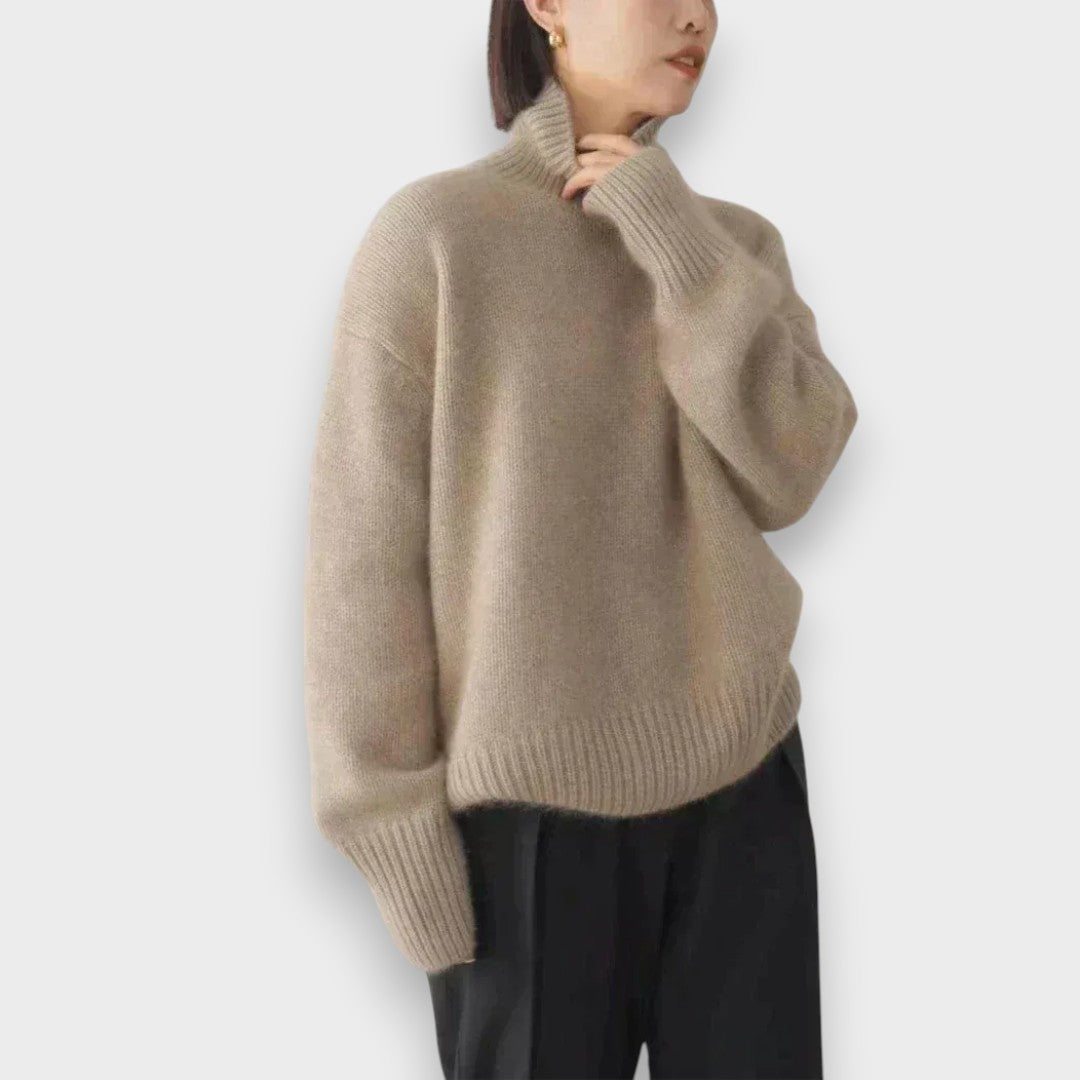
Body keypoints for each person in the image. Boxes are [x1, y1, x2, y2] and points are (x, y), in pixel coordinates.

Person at [303, 0, 858, 1075]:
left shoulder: (731, 246)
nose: (697, 16)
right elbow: (363, 564)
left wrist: (674, 242)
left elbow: (794, 467)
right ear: (547, 7)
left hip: (744, 792)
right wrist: (389, 824)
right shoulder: (436, 237)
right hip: (524, 832)